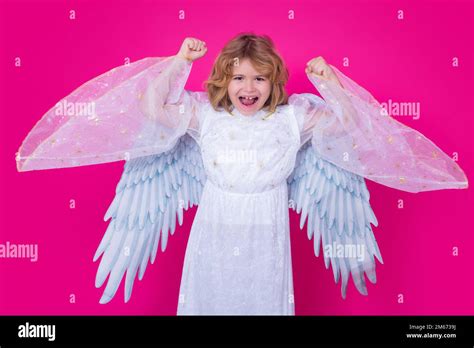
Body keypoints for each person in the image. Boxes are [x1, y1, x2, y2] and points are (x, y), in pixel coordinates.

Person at [16, 33, 468, 315]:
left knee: (263, 303)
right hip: (214, 230)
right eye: (238, 78)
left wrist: (330, 81)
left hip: (264, 233)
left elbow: (351, 126)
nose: (247, 88)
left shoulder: (295, 119)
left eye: (259, 79)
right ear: (222, 81)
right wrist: (180, 62)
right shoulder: (203, 116)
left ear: (274, 83)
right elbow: (151, 108)